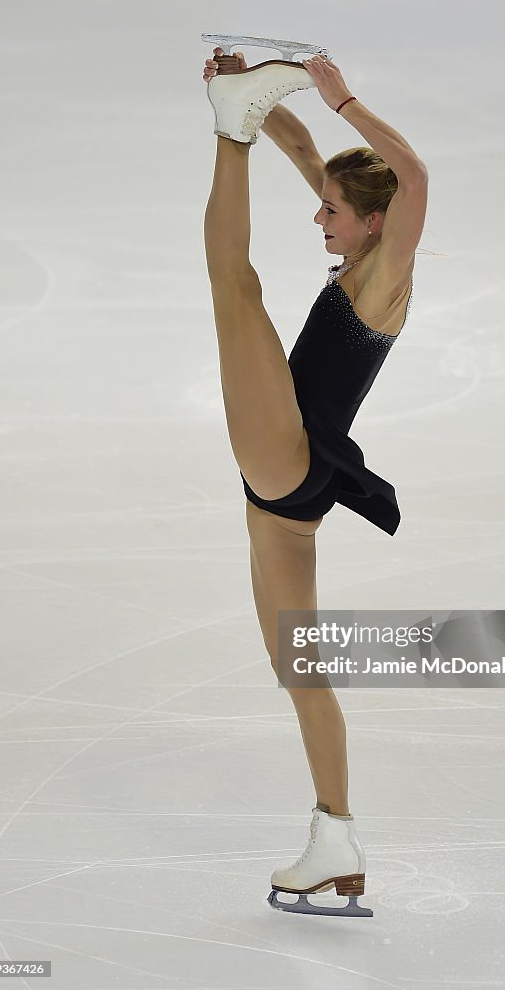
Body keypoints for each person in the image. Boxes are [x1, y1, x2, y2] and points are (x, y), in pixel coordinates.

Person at [202, 46, 428, 916]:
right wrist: (256, 92)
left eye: (333, 212)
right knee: (299, 666)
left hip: (290, 454)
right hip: (286, 501)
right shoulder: (356, 241)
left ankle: (227, 129)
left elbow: (410, 173)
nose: (320, 219)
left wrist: (342, 100)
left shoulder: (387, 276)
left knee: (235, 283)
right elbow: (300, 150)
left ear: (376, 223)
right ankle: (334, 834)